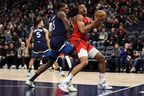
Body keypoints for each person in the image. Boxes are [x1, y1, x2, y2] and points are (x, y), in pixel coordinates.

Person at [58, 4, 112, 92]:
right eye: (81, 7)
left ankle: (101, 82)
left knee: (101, 58)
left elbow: (98, 28)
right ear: (78, 10)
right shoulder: (78, 17)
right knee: (84, 62)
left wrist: (99, 20)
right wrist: (95, 22)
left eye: (85, 7)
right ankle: (64, 82)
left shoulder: (88, 19)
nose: (84, 8)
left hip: (84, 43)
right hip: (77, 40)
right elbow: (83, 30)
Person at [26, 3, 79, 92]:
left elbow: (50, 32)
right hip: (59, 41)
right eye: (66, 8)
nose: (67, 9)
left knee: (49, 64)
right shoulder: (61, 13)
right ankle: (67, 83)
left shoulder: (52, 18)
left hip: (54, 41)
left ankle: (30, 80)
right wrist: (72, 28)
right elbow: (67, 28)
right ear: (60, 8)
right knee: (77, 57)